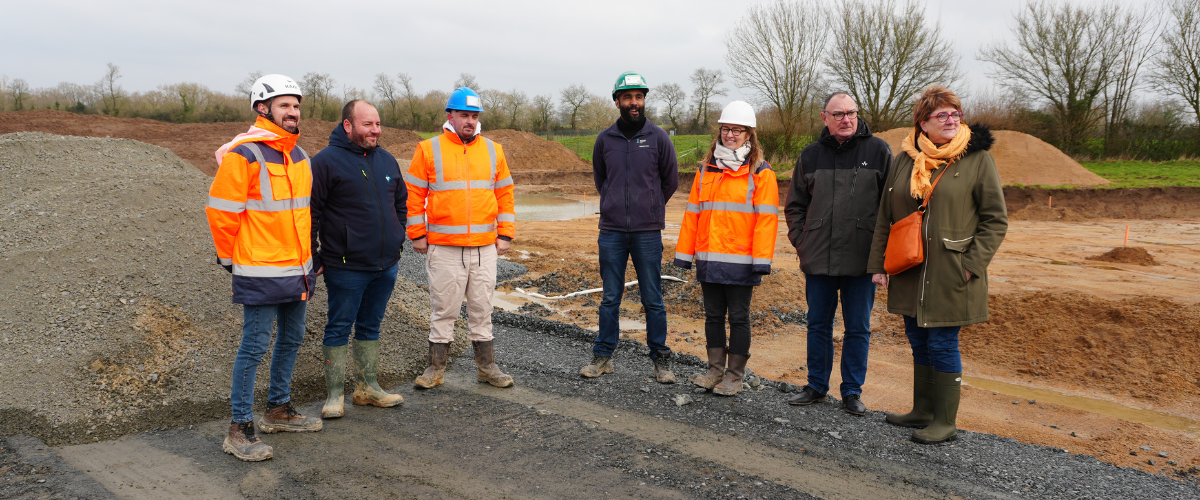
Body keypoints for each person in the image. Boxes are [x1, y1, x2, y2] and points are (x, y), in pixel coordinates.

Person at [867, 84, 1007, 444]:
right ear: (923, 123)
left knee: (942, 342)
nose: (951, 120)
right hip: (909, 267)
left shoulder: (977, 159)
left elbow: (995, 220)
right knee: (917, 338)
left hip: (951, 270)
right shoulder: (905, 158)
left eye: (955, 113)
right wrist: (879, 264)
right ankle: (923, 410)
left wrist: (971, 264)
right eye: (941, 114)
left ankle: (945, 422)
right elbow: (886, 216)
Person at [206, 74, 322, 462]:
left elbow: (302, 215)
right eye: (284, 105)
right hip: (259, 269)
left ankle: (278, 410)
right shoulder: (244, 154)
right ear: (262, 108)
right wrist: (230, 259)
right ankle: (239, 428)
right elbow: (221, 212)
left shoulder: (300, 156)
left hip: (296, 268)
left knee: (292, 338)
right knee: (254, 346)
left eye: (296, 105)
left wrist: (310, 259)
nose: (293, 111)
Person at [784, 92, 892, 416]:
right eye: (839, 114)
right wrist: (802, 242)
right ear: (825, 118)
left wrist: (883, 256)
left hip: (862, 259)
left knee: (858, 328)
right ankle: (816, 386)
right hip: (818, 258)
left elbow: (891, 207)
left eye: (851, 113)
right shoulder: (810, 155)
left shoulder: (879, 151)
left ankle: (852, 391)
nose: (846, 119)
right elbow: (794, 206)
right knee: (818, 324)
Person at [405, 87, 516, 390]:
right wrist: (417, 234)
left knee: (482, 309)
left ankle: (487, 367)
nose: (470, 121)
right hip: (445, 248)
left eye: (474, 116)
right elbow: (413, 195)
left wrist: (505, 233)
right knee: (444, 310)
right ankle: (435, 368)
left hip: (484, 248)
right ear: (450, 116)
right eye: (464, 115)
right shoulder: (428, 149)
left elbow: (505, 194)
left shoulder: (493, 150)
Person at [673, 101, 778, 396]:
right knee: (713, 317)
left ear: (749, 135)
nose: (730, 134)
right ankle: (714, 370)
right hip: (709, 258)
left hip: (742, 262)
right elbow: (692, 215)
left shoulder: (761, 173)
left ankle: (734, 376)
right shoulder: (706, 170)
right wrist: (684, 255)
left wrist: (761, 261)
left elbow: (767, 221)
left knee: (739, 318)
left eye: (737, 130)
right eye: (725, 129)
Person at [581, 71, 680, 383]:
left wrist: (649, 207)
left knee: (653, 297)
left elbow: (670, 181)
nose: (634, 102)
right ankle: (603, 357)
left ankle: (660, 360)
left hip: (647, 232)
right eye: (628, 97)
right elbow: (601, 180)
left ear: (644, 100)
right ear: (617, 102)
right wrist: (614, 204)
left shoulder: (659, 138)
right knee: (610, 297)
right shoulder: (604, 140)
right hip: (611, 231)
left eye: (639, 96)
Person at [310, 100, 406, 419]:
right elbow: (311, 212)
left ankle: (367, 388)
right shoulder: (325, 162)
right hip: (346, 266)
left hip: (385, 264)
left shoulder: (387, 160)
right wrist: (313, 254)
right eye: (368, 125)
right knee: (339, 326)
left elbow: (401, 204)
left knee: (370, 325)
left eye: (378, 124)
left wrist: (398, 237)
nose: (375, 130)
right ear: (348, 125)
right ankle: (334, 395)